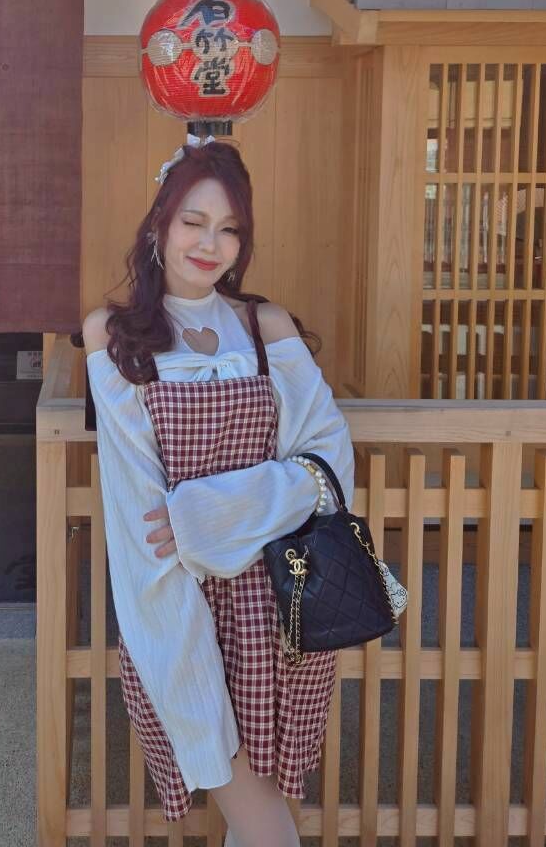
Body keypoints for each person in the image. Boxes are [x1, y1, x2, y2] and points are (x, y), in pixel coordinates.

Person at [81, 135, 356, 847]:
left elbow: (329, 467)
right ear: (159, 225)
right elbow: (143, 525)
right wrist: (186, 674)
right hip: (178, 609)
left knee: (260, 822)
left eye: (230, 229)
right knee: (266, 826)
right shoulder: (114, 337)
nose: (211, 244)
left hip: (282, 609)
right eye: (194, 222)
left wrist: (206, 514)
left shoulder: (265, 327)